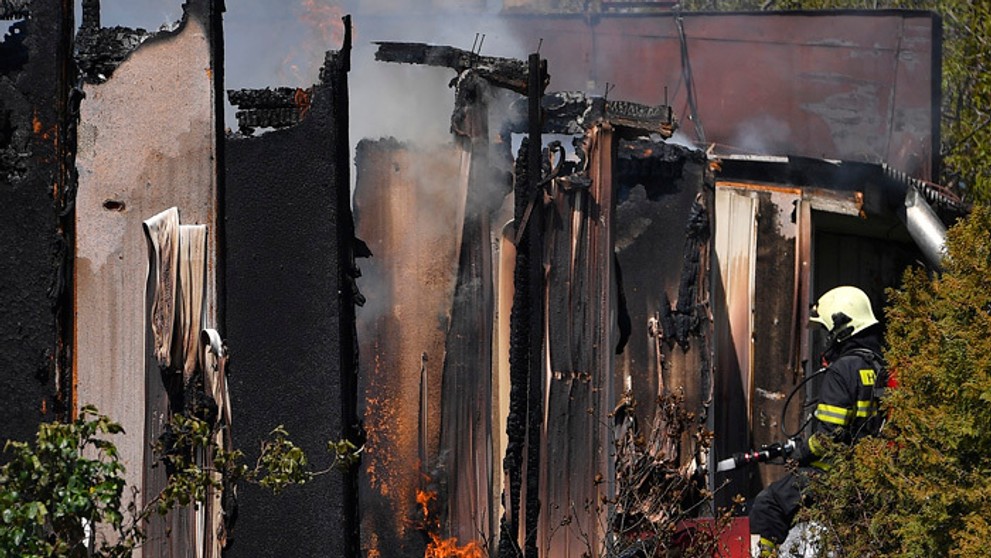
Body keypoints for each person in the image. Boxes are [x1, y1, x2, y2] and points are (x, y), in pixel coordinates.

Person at [749, 286, 887, 556]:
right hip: (870, 473)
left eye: (827, 331)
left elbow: (828, 439)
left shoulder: (843, 369)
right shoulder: (878, 365)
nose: (827, 340)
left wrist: (800, 452)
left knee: (769, 504)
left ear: (842, 329)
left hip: (836, 473)